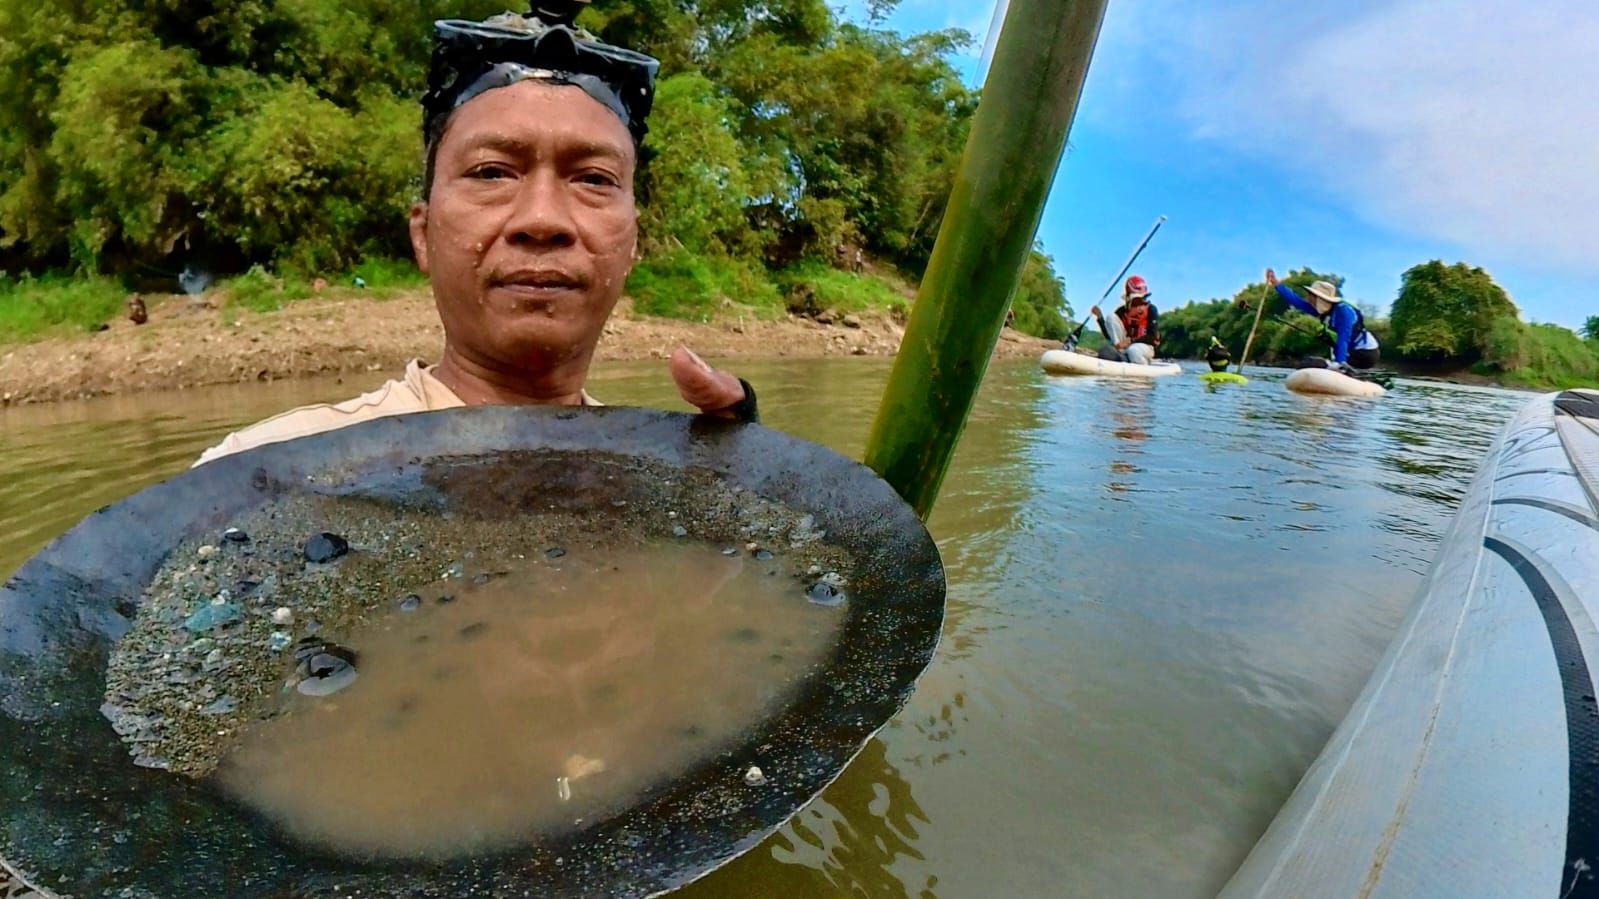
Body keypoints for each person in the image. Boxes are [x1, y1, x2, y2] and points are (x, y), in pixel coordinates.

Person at [197, 5, 753, 465]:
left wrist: (751, 470)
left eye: (593, 179)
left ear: (631, 246)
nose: (543, 220)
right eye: (491, 172)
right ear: (422, 236)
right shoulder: (267, 470)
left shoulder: (670, 475)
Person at [1264, 268, 1380, 371]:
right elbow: (1296, 301)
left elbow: (1343, 338)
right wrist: (1276, 283)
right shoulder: (1322, 311)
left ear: (1322, 299)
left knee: (1315, 364)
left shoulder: (1344, 311)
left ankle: (1344, 370)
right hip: (1350, 352)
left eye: (1312, 297)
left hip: (1366, 353)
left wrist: (1338, 363)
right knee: (1306, 363)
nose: (1309, 299)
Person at [1090, 275, 1159, 365]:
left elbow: (1152, 337)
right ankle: (1119, 354)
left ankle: (1143, 365)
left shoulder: (1151, 310)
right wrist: (1099, 318)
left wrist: (1131, 341)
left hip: (1144, 347)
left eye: (1140, 300)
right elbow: (1109, 335)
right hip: (1124, 347)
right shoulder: (1121, 311)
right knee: (1110, 317)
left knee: (1133, 350)